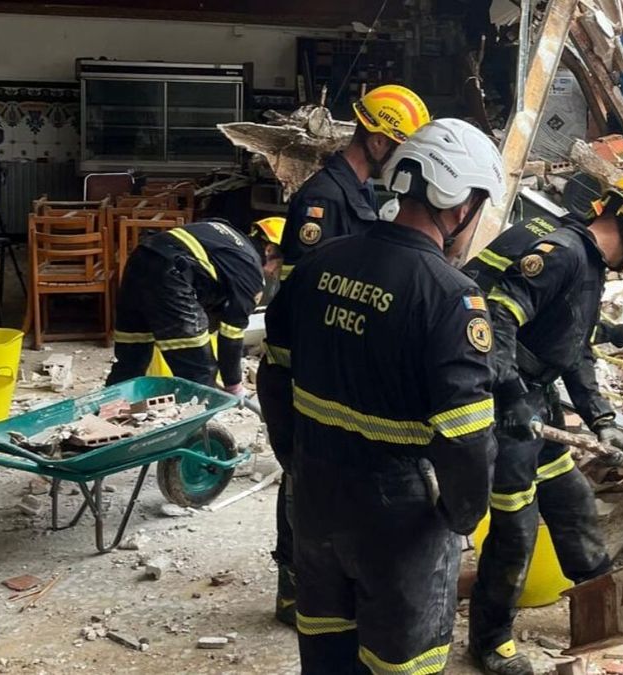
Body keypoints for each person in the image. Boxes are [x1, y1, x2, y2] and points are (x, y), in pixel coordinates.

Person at [261, 118, 506, 674]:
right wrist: (460, 515)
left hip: (317, 498)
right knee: (402, 665)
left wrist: (296, 460)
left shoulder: (322, 264)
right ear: (457, 203)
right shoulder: (452, 299)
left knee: (325, 654)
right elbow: (466, 438)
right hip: (400, 520)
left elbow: (273, 376)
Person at [468, 173, 623, 675]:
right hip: (508, 411)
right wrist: (511, 395)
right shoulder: (561, 253)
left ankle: (600, 615)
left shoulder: (588, 265)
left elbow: (572, 352)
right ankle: (490, 642)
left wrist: (602, 419)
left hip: (536, 404)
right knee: (515, 532)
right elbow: (496, 318)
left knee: (575, 506)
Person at [259, 84, 429, 622]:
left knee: (324, 479)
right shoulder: (323, 199)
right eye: (398, 146)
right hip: (302, 367)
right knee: (301, 478)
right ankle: (293, 588)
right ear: (376, 137)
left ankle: (323, 581)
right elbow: (305, 294)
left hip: (327, 366)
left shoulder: (356, 194)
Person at [278, 84, 430, 281]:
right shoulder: (323, 198)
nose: (401, 164)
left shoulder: (363, 191)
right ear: (378, 143)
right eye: (401, 153)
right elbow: (309, 282)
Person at [105, 220, 269, 393]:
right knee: (199, 370)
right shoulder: (251, 271)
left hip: (140, 259)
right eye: (277, 265)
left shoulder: (227, 236)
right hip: (172, 274)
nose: (272, 272)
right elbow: (231, 335)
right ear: (269, 250)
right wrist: (233, 385)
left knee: (132, 356)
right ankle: (195, 418)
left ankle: (107, 411)